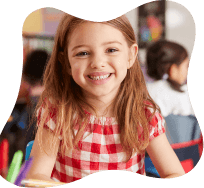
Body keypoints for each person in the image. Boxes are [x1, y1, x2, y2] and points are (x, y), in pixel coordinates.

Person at [26, 13, 185, 185]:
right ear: (66, 62)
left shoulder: (143, 114)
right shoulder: (58, 112)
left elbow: (175, 173)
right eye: (83, 53)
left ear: (131, 56)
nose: (98, 62)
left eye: (111, 50)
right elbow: (36, 177)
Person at [146, 40, 202, 175]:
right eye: (187, 66)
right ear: (173, 69)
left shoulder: (143, 92)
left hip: (150, 166)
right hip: (189, 163)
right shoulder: (189, 94)